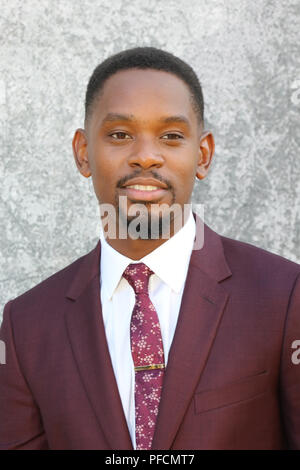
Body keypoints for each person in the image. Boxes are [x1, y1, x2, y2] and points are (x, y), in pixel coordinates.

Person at [0, 46, 300, 451]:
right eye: (120, 135)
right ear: (83, 152)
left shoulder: (284, 298)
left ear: (203, 154)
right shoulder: (26, 326)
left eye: (171, 136)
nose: (145, 156)